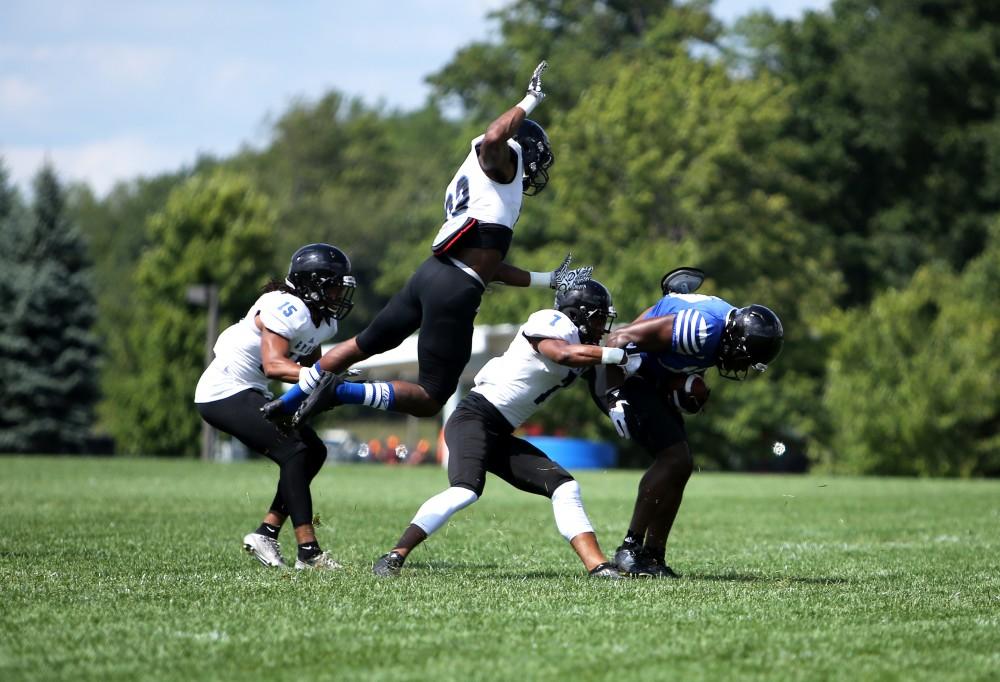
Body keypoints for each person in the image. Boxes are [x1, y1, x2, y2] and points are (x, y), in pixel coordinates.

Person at [262, 61, 591, 425]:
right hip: (455, 288)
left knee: (361, 344)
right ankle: (339, 391)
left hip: (432, 274)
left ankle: (286, 403)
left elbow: (488, 266)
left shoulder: (482, 188)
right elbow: (495, 136)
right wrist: (531, 99)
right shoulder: (502, 159)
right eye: (536, 161)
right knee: (431, 396)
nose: (534, 171)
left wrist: (547, 279)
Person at [371, 280, 638, 579]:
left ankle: (597, 566)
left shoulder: (583, 349)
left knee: (565, 487)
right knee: (465, 490)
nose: (603, 326)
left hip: (499, 431)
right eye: (599, 317)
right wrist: (616, 355)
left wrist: (614, 400)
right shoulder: (552, 322)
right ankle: (394, 555)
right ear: (578, 313)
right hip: (473, 417)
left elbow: (598, 380)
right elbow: (560, 353)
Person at [599, 273, 784, 578]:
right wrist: (614, 395)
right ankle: (630, 549)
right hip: (624, 374)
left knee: (681, 464)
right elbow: (619, 338)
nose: (740, 366)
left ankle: (653, 556)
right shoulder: (702, 329)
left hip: (649, 375)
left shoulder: (726, 330)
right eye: (743, 358)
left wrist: (685, 384)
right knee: (675, 458)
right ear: (735, 340)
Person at [194, 243, 356, 570]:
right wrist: (319, 376)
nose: (340, 293)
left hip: (250, 389)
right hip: (222, 390)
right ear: (312, 284)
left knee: (314, 450)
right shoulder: (285, 306)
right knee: (295, 450)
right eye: (334, 285)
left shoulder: (323, 320)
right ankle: (308, 551)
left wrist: (335, 378)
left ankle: (266, 532)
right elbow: (274, 365)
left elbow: (314, 365)